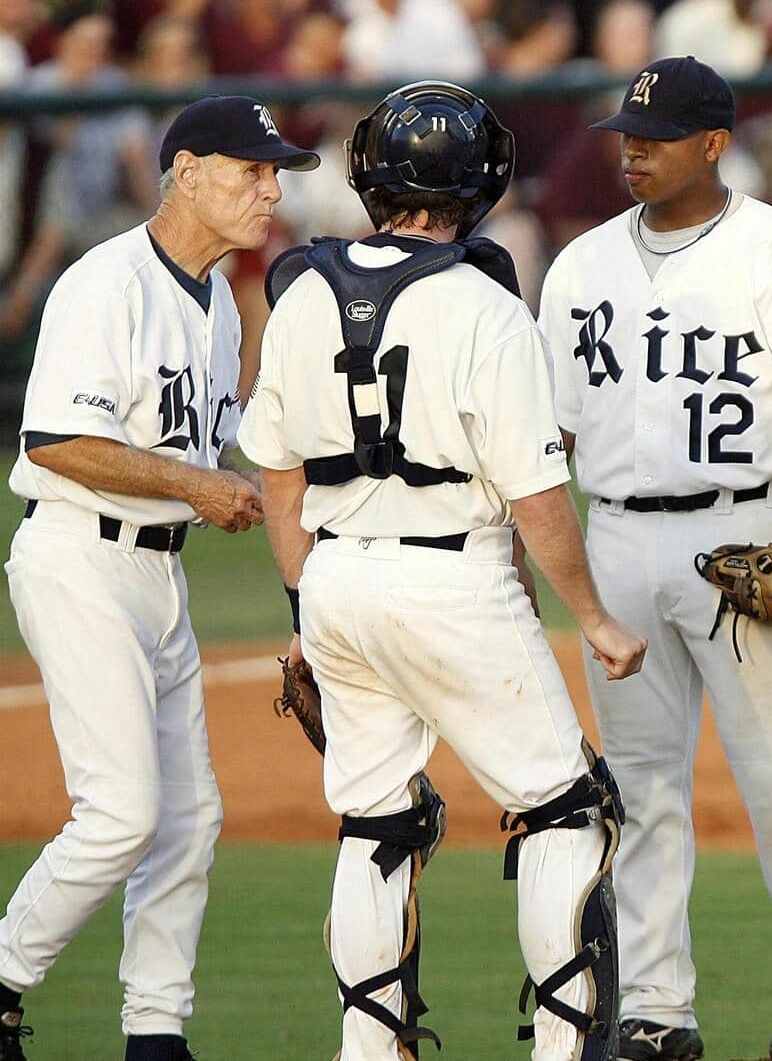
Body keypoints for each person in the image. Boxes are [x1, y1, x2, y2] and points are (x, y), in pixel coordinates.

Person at [237, 80, 647, 1061]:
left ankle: (369, 1049)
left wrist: (303, 606)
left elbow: (279, 474)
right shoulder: (484, 304)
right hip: (452, 584)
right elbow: (539, 500)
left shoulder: (300, 294)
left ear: (372, 176)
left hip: (337, 580)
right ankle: (563, 1048)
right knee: (565, 809)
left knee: (375, 819)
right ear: (482, 182)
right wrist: (592, 617)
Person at [535, 55, 772, 1061]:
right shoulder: (582, 265)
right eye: (626, 137)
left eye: (655, 138)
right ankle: (655, 1010)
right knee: (639, 790)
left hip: (745, 530)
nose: (632, 153)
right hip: (618, 536)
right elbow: (547, 432)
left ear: (715, 145)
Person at [0, 94, 312, 1061]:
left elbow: (225, 449)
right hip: (80, 558)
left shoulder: (216, 299)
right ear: (186, 173)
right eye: (251, 170)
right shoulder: (109, 283)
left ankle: (155, 1032)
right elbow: (56, 441)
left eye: (274, 172)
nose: (271, 189)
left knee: (188, 820)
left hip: (156, 578)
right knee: (124, 813)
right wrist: (194, 482)